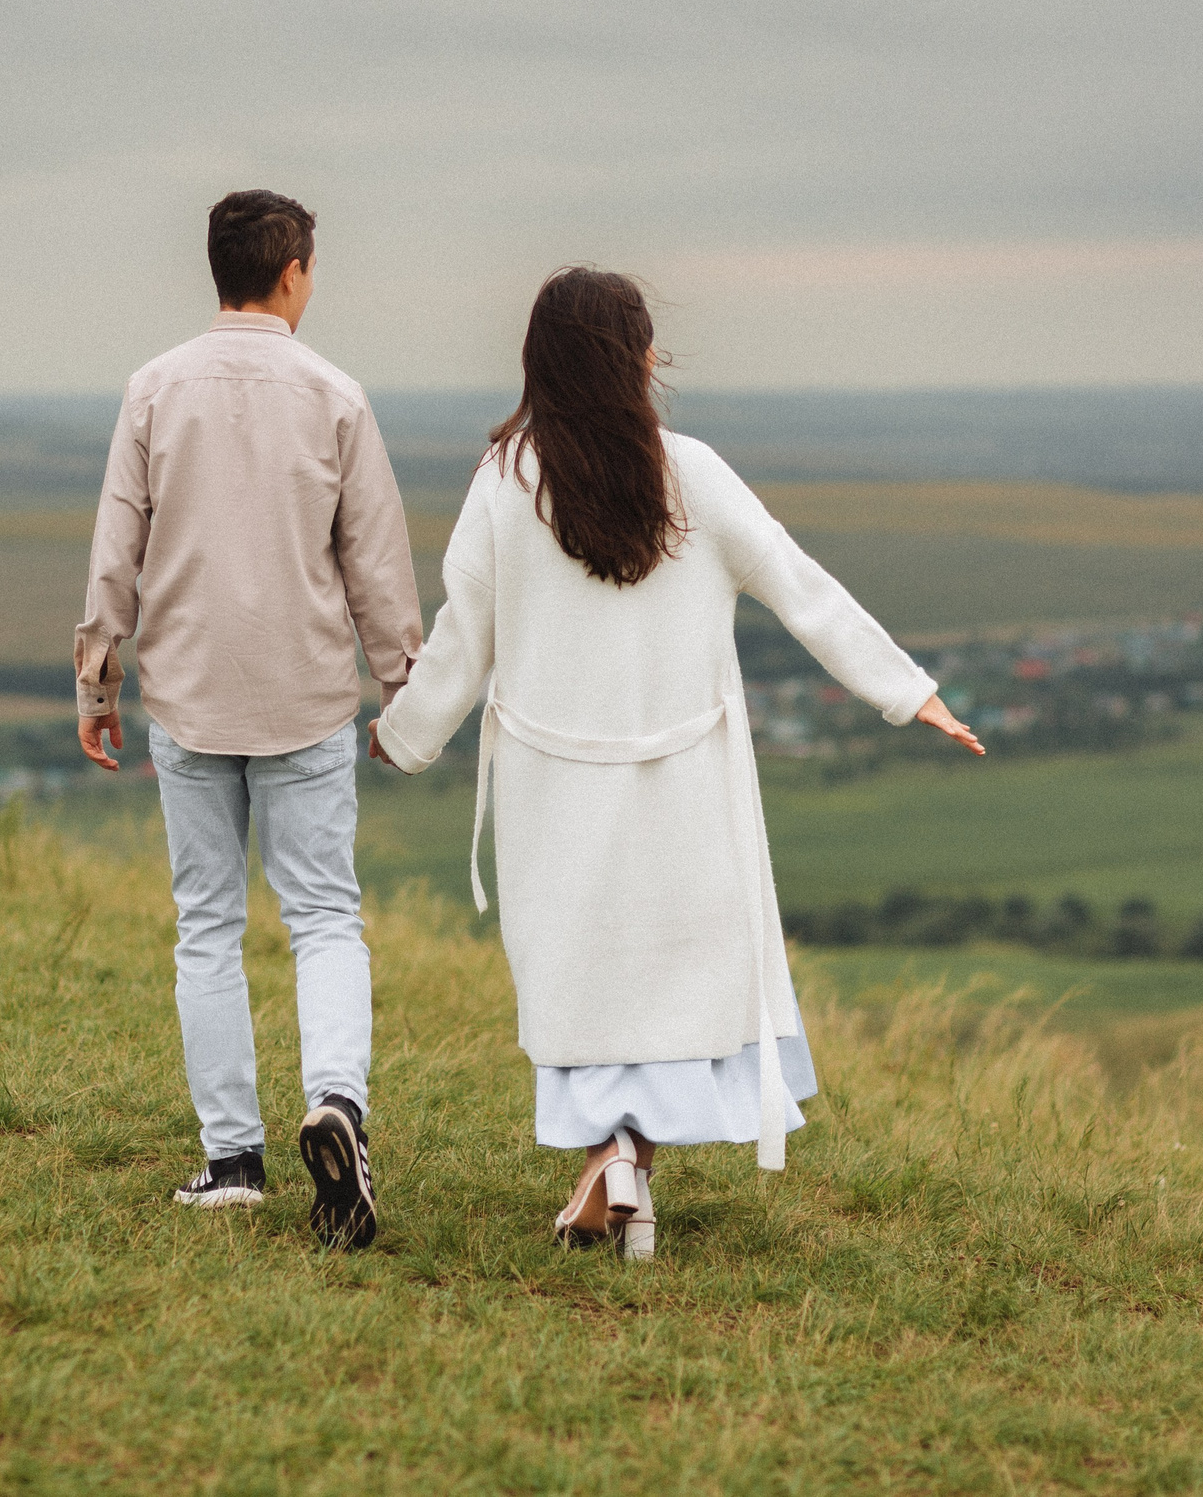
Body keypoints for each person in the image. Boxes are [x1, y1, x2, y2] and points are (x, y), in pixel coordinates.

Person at [370, 267, 983, 1259]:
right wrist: (907, 691)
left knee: (583, 980)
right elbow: (801, 586)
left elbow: (462, 635)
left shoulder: (504, 479)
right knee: (664, 980)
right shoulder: (692, 471)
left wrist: (405, 732)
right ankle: (629, 1178)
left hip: (549, 780)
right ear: (639, 358)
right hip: (684, 782)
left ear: (539, 362)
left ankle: (612, 1166)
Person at [76, 189, 422, 1251]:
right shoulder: (335, 397)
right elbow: (375, 559)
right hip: (306, 696)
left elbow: (114, 548)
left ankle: (231, 1158)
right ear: (291, 273)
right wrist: (401, 682)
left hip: (187, 693)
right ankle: (338, 1108)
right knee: (322, 916)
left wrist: (98, 679)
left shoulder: (152, 390)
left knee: (206, 926)